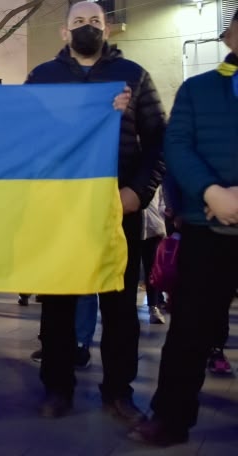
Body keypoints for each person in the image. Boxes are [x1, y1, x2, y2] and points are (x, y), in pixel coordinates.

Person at [26, 1, 166, 422]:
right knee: (57, 305)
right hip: (62, 210)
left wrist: (139, 192)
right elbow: (29, 136)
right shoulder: (42, 78)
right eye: (78, 22)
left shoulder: (134, 76)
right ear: (64, 32)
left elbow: (160, 140)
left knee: (120, 307)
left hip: (117, 209)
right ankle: (57, 388)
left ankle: (118, 392)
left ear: (108, 29)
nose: (87, 27)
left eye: (95, 21)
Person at [127, 9, 238, 447]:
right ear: (230, 35)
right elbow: (177, 144)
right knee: (189, 330)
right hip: (205, 229)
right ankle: (170, 419)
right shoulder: (197, 90)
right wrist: (212, 193)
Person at [140, 188, 167, 324]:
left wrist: (161, 218)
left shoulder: (155, 177)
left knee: (152, 270)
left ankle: (153, 306)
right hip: (130, 228)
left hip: (153, 229)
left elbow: (162, 202)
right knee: (128, 270)